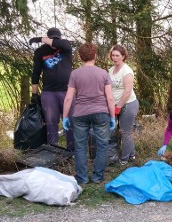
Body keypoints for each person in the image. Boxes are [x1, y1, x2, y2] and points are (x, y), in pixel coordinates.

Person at [62, 42, 117, 184]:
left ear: (81, 57)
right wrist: (112, 116)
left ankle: (82, 177)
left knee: (80, 146)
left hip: (80, 114)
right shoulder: (103, 73)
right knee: (102, 145)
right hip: (101, 112)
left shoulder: (75, 74)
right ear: (95, 56)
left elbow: (69, 97)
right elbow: (110, 97)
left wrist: (65, 116)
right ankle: (98, 177)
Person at [30, 27, 74, 151]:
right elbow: (36, 73)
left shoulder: (66, 47)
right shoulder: (41, 51)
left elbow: (58, 43)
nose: (54, 42)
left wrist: (40, 39)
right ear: (48, 39)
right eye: (52, 39)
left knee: (69, 122)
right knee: (51, 123)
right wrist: (34, 94)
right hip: (49, 93)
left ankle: (72, 151)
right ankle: (52, 151)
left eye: (56, 39)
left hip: (67, 92)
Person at [108, 45, 139, 164]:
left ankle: (125, 159)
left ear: (123, 56)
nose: (114, 58)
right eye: (113, 55)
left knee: (125, 132)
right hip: (115, 105)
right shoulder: (111, 70)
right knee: (119, 131)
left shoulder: (127, 71)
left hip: (128, 104)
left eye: (117, 56)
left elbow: (127, 91)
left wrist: (119, 107)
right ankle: (131, 155)